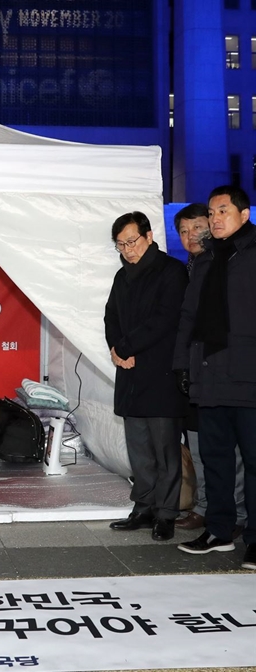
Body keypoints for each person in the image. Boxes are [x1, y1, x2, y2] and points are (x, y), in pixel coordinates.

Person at [174, 185, 256, 570]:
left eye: (223, 210)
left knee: (254, 462)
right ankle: (220, 530)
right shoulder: (206, 260)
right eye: (211, 212)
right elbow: (189, 318)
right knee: (216, 458)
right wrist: (182, 366)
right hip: (208, 375)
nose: (215, 219)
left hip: (248, 375)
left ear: (243, 214)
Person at [105, 211, 188, 541]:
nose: (127, 249)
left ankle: (167, 513)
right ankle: (143, 506)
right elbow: (110, 316)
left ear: (149, 236)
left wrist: (125, 347)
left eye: (132, 241)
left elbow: (164, 319)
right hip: (130, 374)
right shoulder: (121, 276)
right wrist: (116, 348)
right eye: (120, 244)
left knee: (165, 450)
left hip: (161, 373)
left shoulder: (171, 271)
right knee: (138, 448)